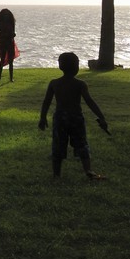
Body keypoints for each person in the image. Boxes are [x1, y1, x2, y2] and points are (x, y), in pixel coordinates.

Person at [39, 52, 109, 180]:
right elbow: (90, 101)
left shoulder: (54, 83)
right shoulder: (80, 84)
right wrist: (101, 117)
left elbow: (46, 102)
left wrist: (42, 118)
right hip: (76, 118)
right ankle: (88, 171)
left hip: (60, 118)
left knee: (58, 145)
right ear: (76, 67)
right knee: (82, 144)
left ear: (60, 66)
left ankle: (56, 175)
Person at [0, 9, 18, 80]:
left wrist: (11, 35)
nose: (6, 16)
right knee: (2, 59)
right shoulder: (0, 23)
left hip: (9, 42)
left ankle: (10, 78)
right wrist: (3, 36)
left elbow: (13, 33)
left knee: (10, 61)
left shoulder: (11, 23)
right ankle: (0, 77)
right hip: (4, 42)